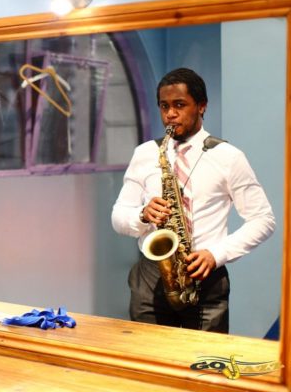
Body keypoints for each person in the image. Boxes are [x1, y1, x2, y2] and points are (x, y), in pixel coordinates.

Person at [111, 67, 275, 333]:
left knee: (203, 367)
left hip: (205, 275)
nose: (170, 114)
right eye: (164, 106)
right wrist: (141, 214)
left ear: (202, 106)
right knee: (148, 363)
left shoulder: (229, 157)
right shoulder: (146, 153)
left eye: (179, 105)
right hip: (151, 276)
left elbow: (263, 220)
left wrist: (216, 254)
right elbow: (119, 216)